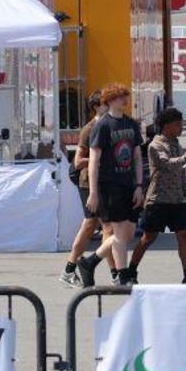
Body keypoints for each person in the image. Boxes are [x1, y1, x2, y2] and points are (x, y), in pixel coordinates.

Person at [75, 84, 145, 287]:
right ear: (110, 100)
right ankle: (122, 276)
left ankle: (90, 261)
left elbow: (137, 157)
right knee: (120, 232)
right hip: (109, 185)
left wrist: (139, 185)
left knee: (128, 233)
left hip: (129, 184)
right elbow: (94, 161)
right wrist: (93, 192)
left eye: (125, 96)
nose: (125, 100)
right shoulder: (102, 126)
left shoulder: (131, 124)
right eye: (120, 97)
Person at [127, 107, 186, 284]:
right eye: (178, 124)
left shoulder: (175, 143)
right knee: (148, 238)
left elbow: (180, 172)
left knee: (184, 237)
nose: (181, 127)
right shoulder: (155, 145)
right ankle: (131, 271)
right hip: (158, 201)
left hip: (178, 200)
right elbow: (167, 164)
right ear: (167, 126)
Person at [61, 92, 116, 287]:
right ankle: (115, 273)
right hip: (89, 183)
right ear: (96, 107)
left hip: (105, 182)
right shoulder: (90, 129)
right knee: (108, 228)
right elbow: (77, 162)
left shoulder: (110, 126)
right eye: (105, 103)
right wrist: (100, 158)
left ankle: (69, 270)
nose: (110, 106)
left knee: (92, 226)